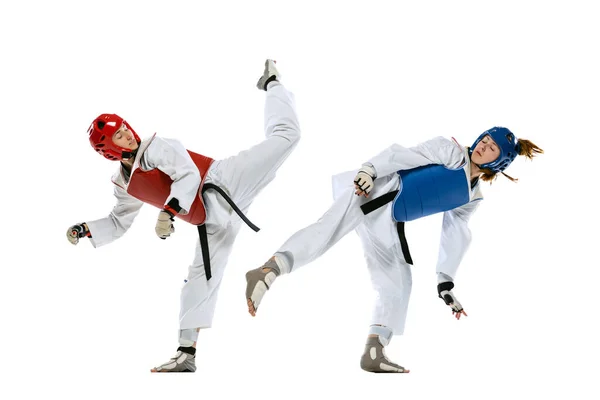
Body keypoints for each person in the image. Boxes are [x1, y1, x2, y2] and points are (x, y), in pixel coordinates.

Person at [245, 127, 543, 373]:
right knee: (327, 231)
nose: (483, 146)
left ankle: (375, 348)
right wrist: (369, 170)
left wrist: (445, 281)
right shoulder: (451, 151)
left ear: (499, 163)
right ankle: (267, 271)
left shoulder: (471, 196)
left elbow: (455, 233)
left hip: (388, 220)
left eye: (492, 148)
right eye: (485, 140)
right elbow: (404, 154)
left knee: (399, 280)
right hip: (376, 190)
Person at [67, 60, 300, 372]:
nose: (128, 136)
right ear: (109, 150)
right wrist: (86, 229)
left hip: (225, 180)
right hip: (211, 220)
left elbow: (188, 175)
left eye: (125, 129)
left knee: (287, 137)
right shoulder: (125, 184)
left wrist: (169, 212)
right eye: (119, 137)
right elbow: (117, 222)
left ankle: (272, 83)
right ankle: (185, 354)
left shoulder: (157, 146)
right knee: (199, 279)